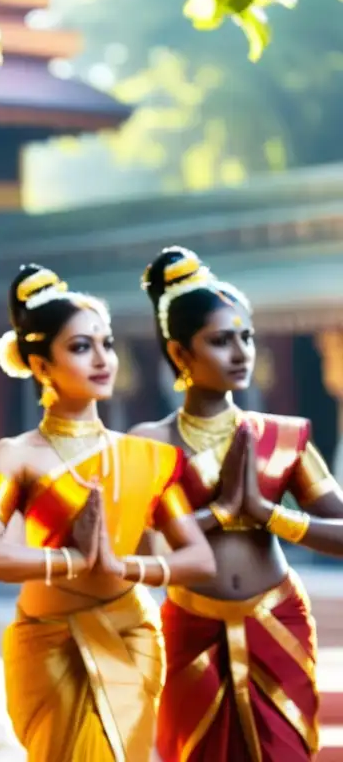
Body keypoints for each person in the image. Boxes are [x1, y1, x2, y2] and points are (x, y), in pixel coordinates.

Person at [0, 263, 217, 761]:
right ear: (41, 365)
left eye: (105, 343)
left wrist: (122, 566)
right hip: (48, 643)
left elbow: (199, 560)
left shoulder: (147, 459)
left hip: (130, 633)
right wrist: (69, 559)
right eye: (81, 346)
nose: (102, 358)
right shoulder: (16, 455)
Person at [132, 246, 343, 762]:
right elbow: (138, 553)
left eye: (246, 337)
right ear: (181, 354)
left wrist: (268, 514)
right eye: (220, 340)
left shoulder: (283, 438)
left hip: (278, 621)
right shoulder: (150, 444)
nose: (240, 351)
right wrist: (221, 514)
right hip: (189, 626)